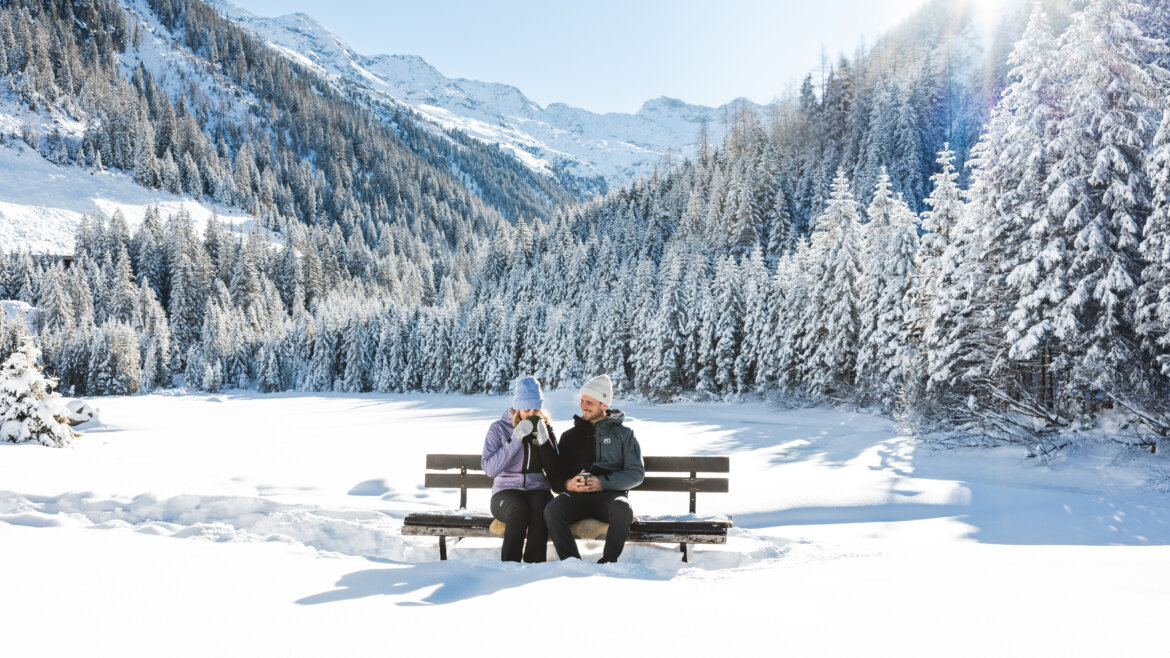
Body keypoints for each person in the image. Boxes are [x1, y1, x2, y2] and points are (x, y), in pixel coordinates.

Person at [540, 374, 644, 563]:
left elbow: (636, 473)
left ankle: (608, 563)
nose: (583, 406)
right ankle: (572, 562)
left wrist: (602, 483)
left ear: (604, 405)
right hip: (577, 497)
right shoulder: (569, 436)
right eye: (582, 400)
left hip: (609, 497)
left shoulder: (624, 435)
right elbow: (557, 478)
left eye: (589, 402)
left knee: (623, 508)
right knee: (552, 509)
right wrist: (568, 484)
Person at [481, 376, 557, 563]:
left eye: (536, 409)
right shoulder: (498, 429)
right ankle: (510, 565)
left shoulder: (544, 427)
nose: (531, 413)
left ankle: (534, 564)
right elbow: (490, 469)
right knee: (519, 509)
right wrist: (515, 438)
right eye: (526, 410)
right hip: (505, 492)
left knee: (542, 507)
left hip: (537, 488)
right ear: (516, 408)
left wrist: (544, 440)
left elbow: (555, 470)